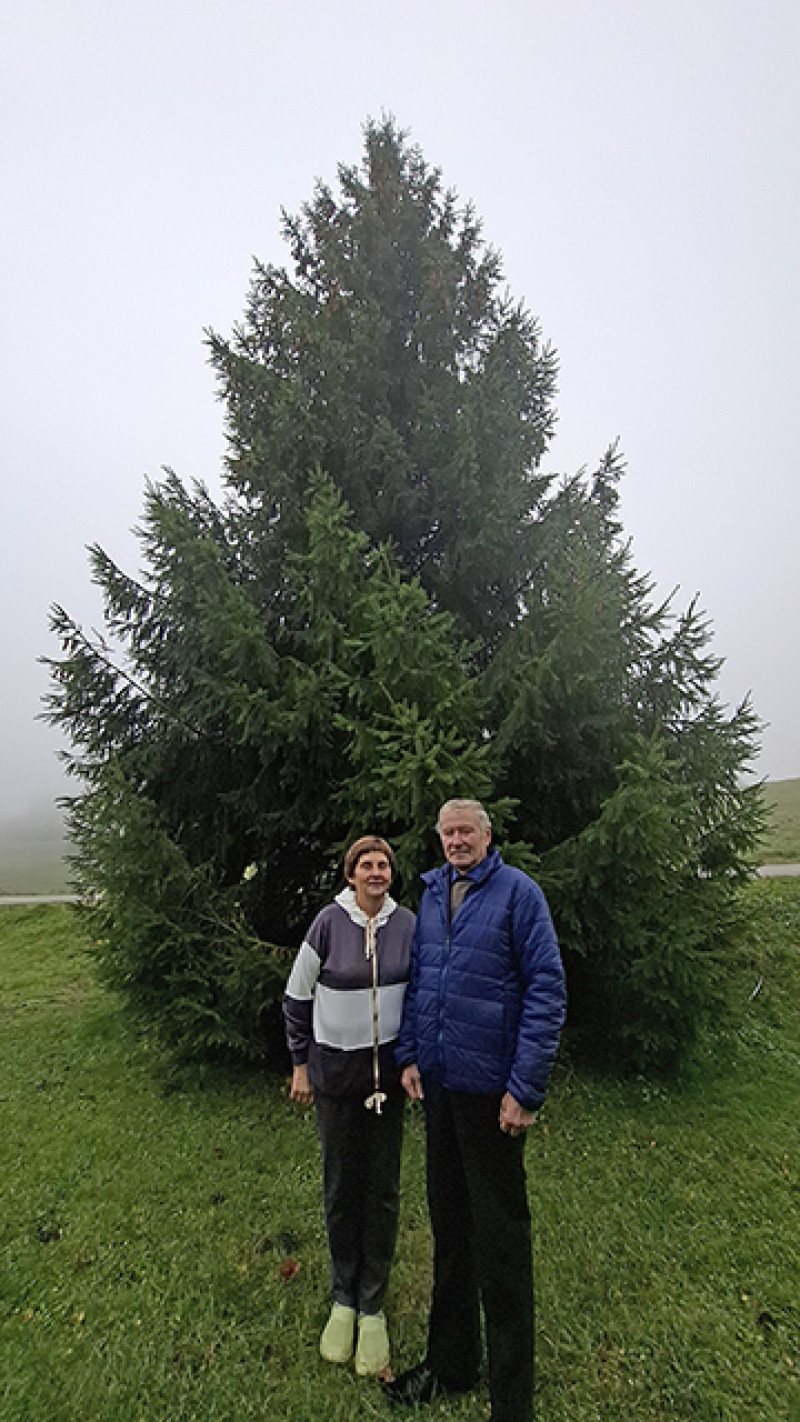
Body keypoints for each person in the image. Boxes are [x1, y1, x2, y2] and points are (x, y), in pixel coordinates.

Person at [384, 799, 566, 1422]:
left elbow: (547, 987)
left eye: (467, 831)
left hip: (493, 1097)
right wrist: (409, 1054)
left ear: (487, 836)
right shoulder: (433, 896)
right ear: (439, 839)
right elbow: (420, 981)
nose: (457, 840)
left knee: (501, 1242)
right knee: (451, 1232)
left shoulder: (519, 895)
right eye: (448, 832)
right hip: (438, 1088)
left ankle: (512, 1400)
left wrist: (526, 1087)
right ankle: (451, 1363)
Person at [283, 835, 415, 1379]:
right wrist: (298, 1064)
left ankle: (372, 1302)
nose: (376, 872)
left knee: (381, 1190)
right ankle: (343, 1296)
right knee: (341, 1186)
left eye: (383, 864)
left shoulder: (407, 924)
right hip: (334, 1080)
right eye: (366, 864)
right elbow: (296, 996)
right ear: (351, 873)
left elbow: (423, 991)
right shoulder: (326, 924)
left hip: (386, 1081)